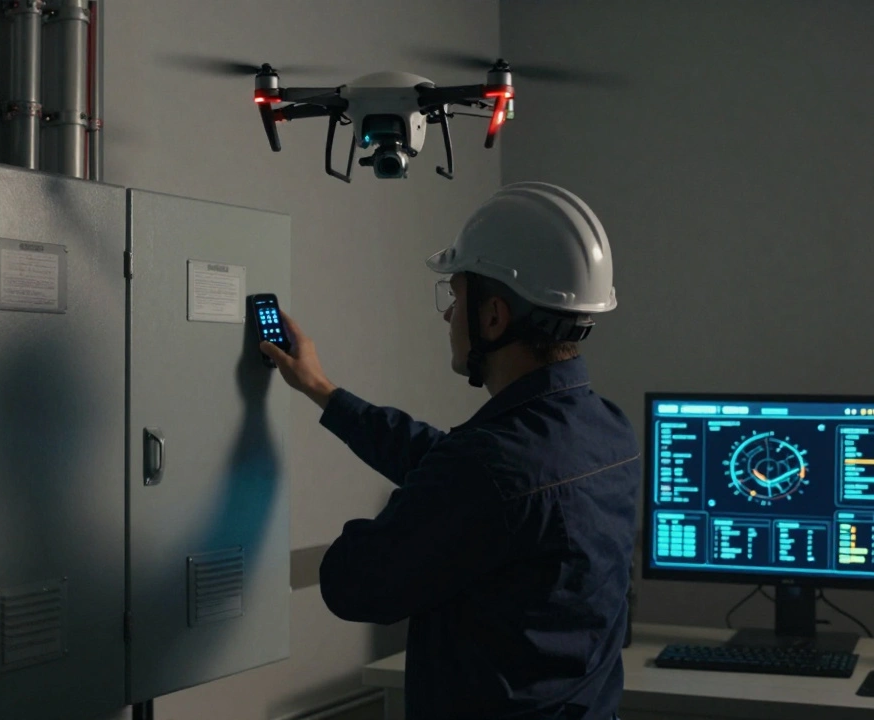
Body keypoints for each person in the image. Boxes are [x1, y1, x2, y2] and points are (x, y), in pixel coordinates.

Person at [260, 182, 640, 720]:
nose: (447, 316)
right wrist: (323, 391)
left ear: (492, 317)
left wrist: (406, 514)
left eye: (456, 296)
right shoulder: (610, 433)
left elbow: (353, 585)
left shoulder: (487, 470)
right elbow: (452, 465)